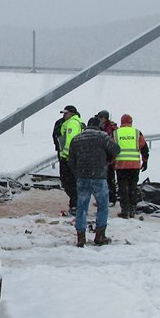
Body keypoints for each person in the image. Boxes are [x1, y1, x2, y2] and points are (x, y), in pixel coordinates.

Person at [68, 117, 121, 247]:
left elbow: (71, 161)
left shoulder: (77, 139)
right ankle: (100, 236)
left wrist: (78, 174)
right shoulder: (102, 137)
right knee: (102, 206)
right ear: (99, 127)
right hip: (99, 177)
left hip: (82, 177)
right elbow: (116, 150)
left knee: (81, 207)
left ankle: (81, 237)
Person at [114, 114, 149, 219]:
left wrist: (110, 162)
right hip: (134, 165)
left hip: (121, 165)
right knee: (133, 187)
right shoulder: (137, 132)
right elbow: (144, 148)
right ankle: (133, 209)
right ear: (131, 122)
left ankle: (125, 211)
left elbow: (111, 148)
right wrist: (145, 161)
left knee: (123, 188)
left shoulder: (116, 133)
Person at [58, 105, 84, 216]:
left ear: (72, 113)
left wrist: (66, 155)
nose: (64, 115)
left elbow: (71, 140)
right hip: (75, 158)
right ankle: (76, 205)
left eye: (66, 113)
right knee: (72, 183)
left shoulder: (72, 123)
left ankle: (75, 206)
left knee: (69, 183)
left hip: (69, 158)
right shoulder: (76, 122)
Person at [96, 110, 119, 206]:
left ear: (104, 118)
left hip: (109, 158)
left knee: (109, 179)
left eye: (100, 118)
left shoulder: (111, 129)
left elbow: (112, 144)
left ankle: (111, 199)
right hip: (102, 157)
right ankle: (103, 198)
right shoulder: (102, 127)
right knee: (101, 180)